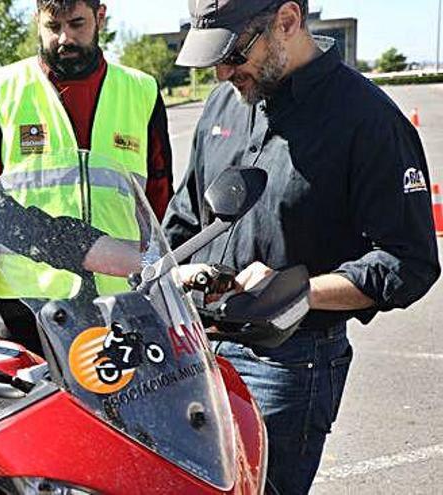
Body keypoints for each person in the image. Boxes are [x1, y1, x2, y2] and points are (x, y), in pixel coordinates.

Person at [163, 1, 440, 493]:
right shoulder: (224, 103)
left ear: (287, 21)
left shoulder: (367, 118)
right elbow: (185, 222)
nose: (224, 72)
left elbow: (409, 261)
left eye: (233, 53)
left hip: (289, 361)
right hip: (200, 348)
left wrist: (296, 291)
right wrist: (174, 267)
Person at [0, 0, 174, 352]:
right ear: (37, 21)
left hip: (120, 298)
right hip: (26, 305)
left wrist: (148, 269)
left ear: (101, 16)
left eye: (77, 24)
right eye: (53, 26)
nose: (65, 38)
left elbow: (159, 194)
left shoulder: (142, 91)